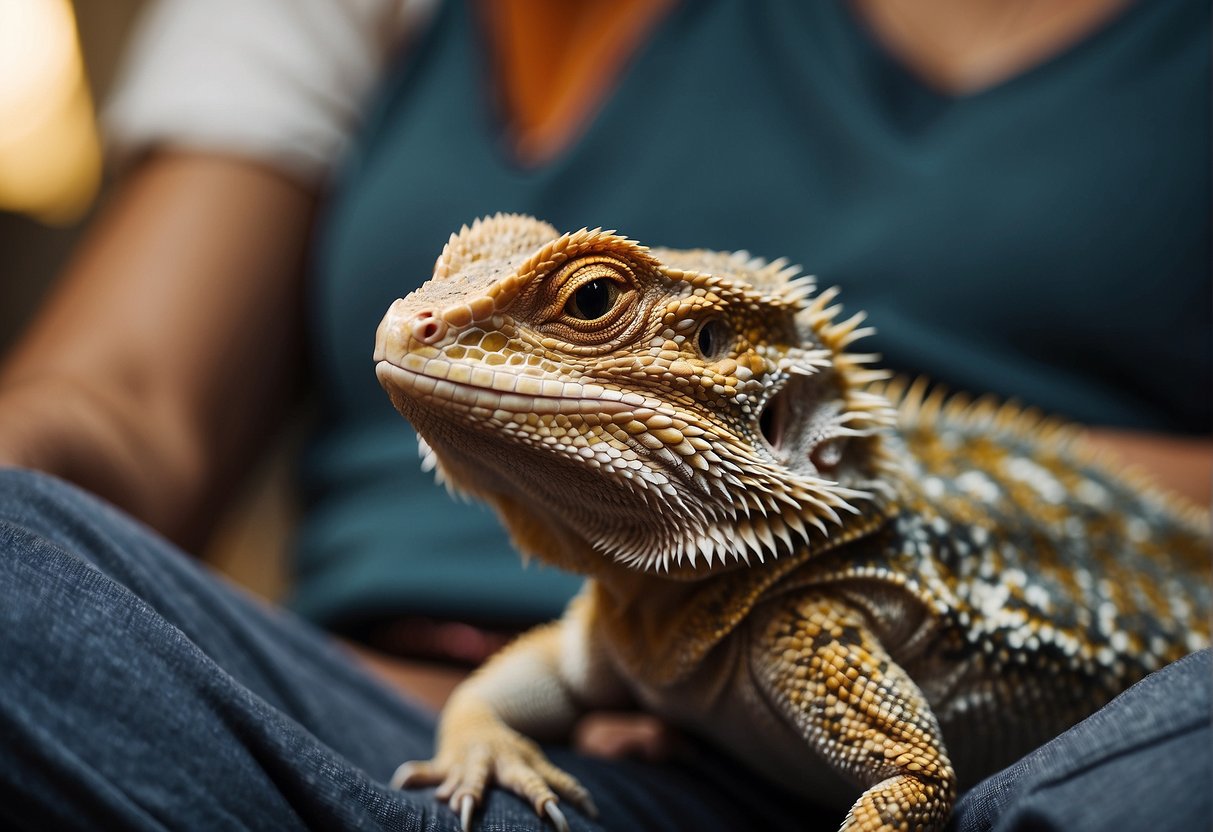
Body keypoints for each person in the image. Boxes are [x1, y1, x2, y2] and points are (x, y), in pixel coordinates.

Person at [0, 1, 1208, 829]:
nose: (422, 327)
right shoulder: (607, 638)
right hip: (372, 710)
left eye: (584, 305)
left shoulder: (816, 615)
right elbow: (124, 398)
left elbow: (908, 778)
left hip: (1037, 763)